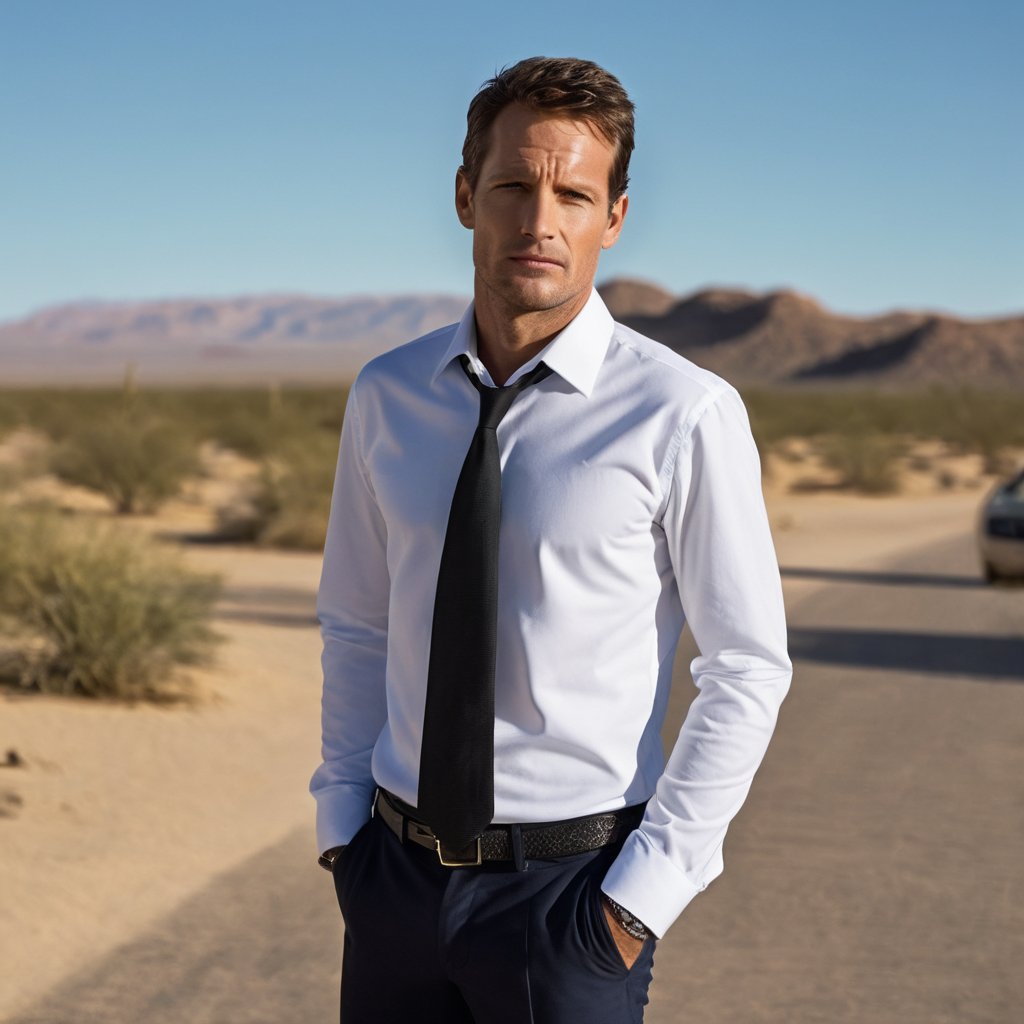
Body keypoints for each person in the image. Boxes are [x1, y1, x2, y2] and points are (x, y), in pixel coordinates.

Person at [311, 56, 792, 1024]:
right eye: (511, 186)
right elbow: (357, 623)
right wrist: (342, 829)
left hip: (568, 901)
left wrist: (636, 901)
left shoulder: (682, 411)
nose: (539, 222)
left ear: (612, 217)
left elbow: (745, 666)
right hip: (392, 884)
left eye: (573, 193)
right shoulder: (387, 393)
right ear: (464, 195)